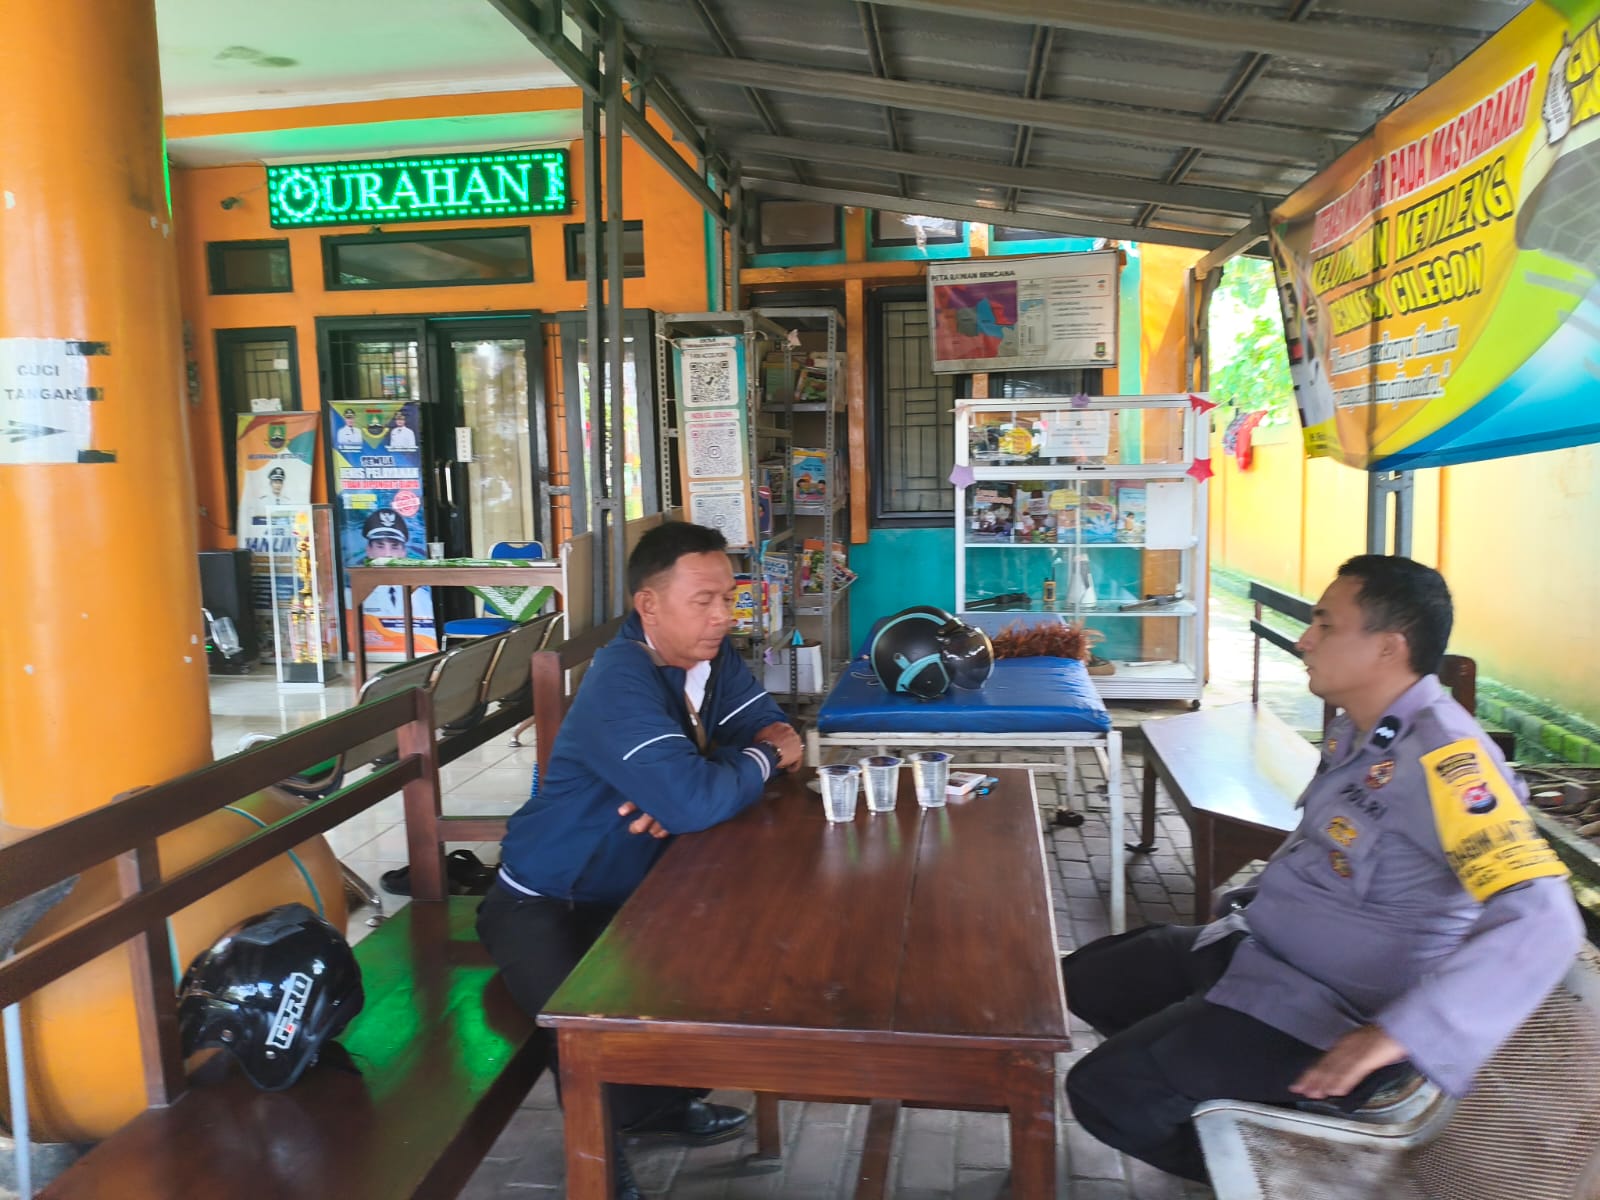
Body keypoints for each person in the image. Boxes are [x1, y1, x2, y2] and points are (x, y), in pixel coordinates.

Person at [1062, 554, 1582, 1184]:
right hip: (1259, 954)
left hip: (1328, 1014)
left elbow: (1546, 918)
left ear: (1389, 647)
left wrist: (1398, 1036)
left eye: (1326, 625)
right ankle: (1214, 1087)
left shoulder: (1449, 762)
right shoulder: (1364, 733)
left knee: (1109, 1092)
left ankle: (1279, 1169)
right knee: (1087, 978)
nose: (1305, 640)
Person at [477, 521, 802, 1200]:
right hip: (544, 902)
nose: (723, 615)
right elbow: (722, 780)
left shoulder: (713, 661)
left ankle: (655, 1111)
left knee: (729, 976)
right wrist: (712, 780)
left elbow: (774, 732)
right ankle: (600, 1158)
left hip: (635, 894)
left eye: (728, 598)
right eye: (703, 600)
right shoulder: (620, 681)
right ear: (648, 605)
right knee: (587, 1034)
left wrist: (702, 778)